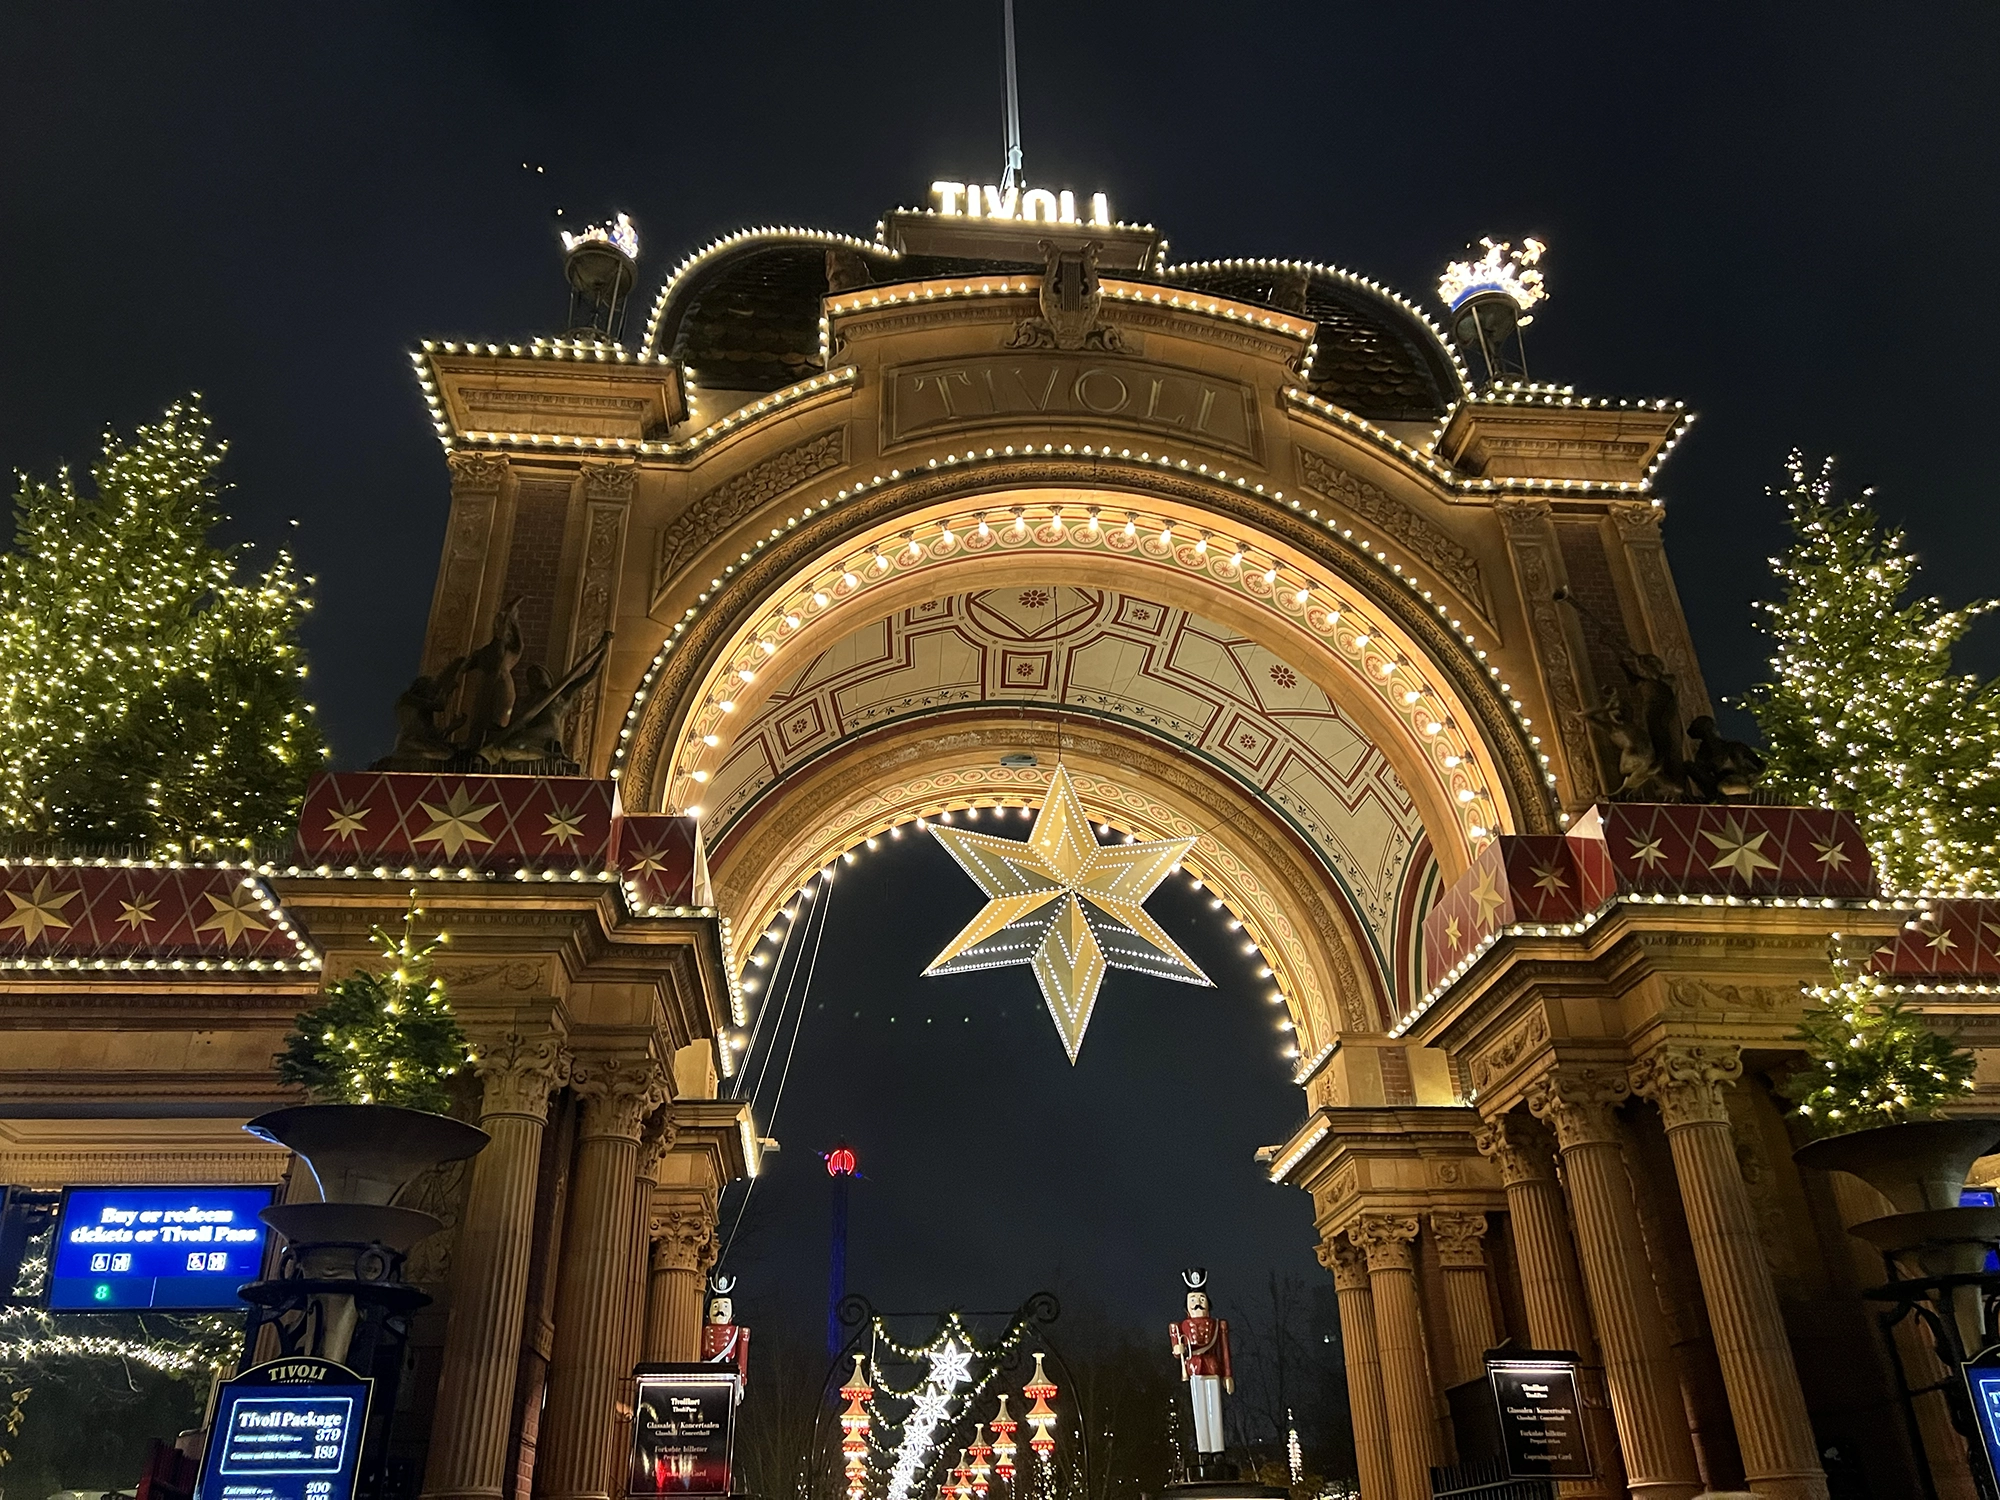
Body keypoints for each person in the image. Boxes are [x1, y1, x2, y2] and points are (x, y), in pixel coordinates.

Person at [1168, 1269, 1232, 1460]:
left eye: (1201, 1299)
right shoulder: (1181, 1327)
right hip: (1194, 1367)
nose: (1198, 1304)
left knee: (1215, 1408)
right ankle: (1204, 1450)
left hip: (1212, 1366)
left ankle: (1218, 1449)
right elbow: (1177, 1346)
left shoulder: (1217, 1325)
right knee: (1199, 1409)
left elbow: (1224, 1349)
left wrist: (1228, 1374)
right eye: (1194, 1299)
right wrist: (1177, 1349)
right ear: (1187, 1306)